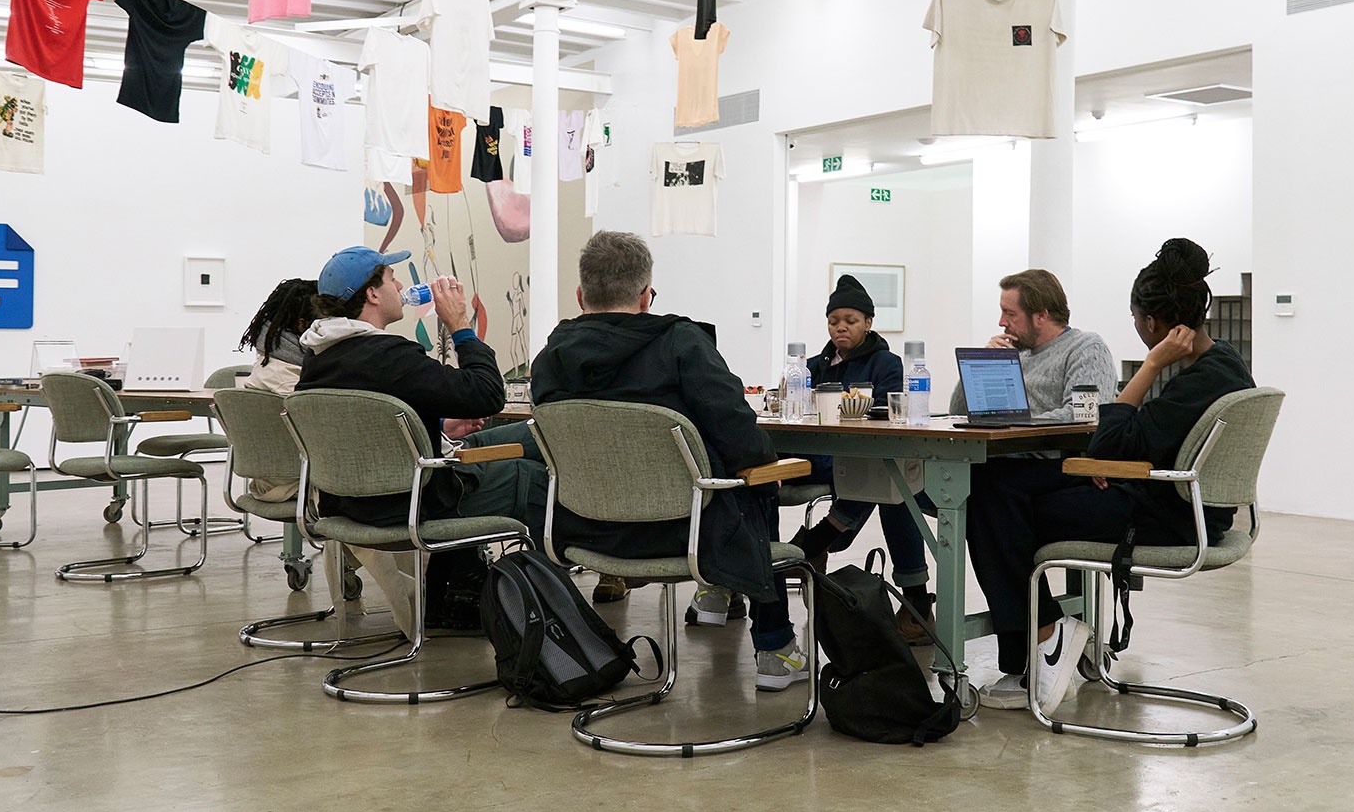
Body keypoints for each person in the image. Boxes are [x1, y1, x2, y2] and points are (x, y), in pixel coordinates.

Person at [964, 240, 1253, 712]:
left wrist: (1152, 364)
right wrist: (1110, 464)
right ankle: (1041, 647)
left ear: (1154, 324)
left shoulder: (1196, 381)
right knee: (996, 489)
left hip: (1165, 514)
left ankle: (1046, 638)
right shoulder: (1223, 363)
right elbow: (1125, 442)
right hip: (1167, 499)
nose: (1136, 329)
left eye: (1136, 320)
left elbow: (1110, 439)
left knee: (988, 504)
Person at [529, 231, 811, 691]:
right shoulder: (680, 343)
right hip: (688, 532)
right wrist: (766, 469)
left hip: (589, 533)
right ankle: (775, 648)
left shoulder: (549, 360)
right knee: (755, 478)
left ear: (580, 296)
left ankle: (715, 599)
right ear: (645, 297)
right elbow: (734, 423)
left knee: (734, 479)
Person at [294, 246, 547, 638]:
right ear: (373, 294)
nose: (400, 285)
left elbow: (368, 424)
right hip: (413, 501)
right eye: (391, 278)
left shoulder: (319, 358)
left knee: (538, 432)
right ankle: (549, 613)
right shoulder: (388, 356)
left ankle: (456, 592)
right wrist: (460, 324)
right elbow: (487, 394)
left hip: (350, 502)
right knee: (532, 473)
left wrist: (438, 423)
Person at [782, 274, 937, 643]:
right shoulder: (816, 364)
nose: (841, 328)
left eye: (850, 321)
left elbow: (886, 411)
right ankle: (917, 605)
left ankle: (820, 537)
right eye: (834, 322)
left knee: (888, 479)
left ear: (868, 323)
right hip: (823, 456)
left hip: (856, 456)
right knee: (892, 484)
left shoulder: (886, 362)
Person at [949, 268, 1119, 418]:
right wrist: (982, 365)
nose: (1001, 322)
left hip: (1045, 451)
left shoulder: (1086, 348)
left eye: (1010, 314)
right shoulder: (1017, 353)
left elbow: (1083, 414)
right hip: (1004, 447)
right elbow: (957, 414)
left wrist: (1020, 426)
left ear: (1041, 316)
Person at [230, 277, 315, 503]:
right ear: (302, 324)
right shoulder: (288, 379)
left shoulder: (272, 363)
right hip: (296, 480)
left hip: (274, 478)